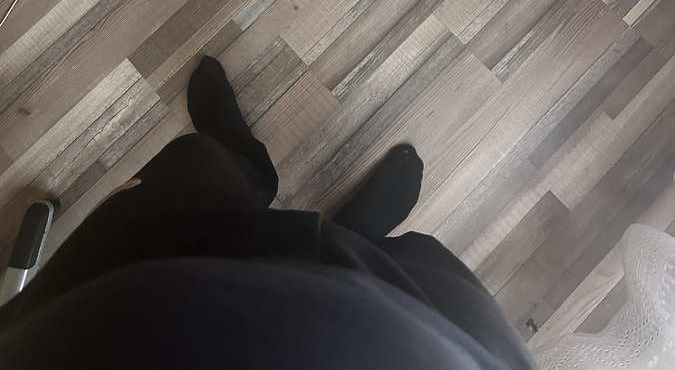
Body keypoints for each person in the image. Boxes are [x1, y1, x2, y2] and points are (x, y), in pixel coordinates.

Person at [0, 57, 538, 369]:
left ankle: (251, 168)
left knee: (192, 176)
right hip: (433, 344)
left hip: (119, 315)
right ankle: (359, 237)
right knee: (420, 269)